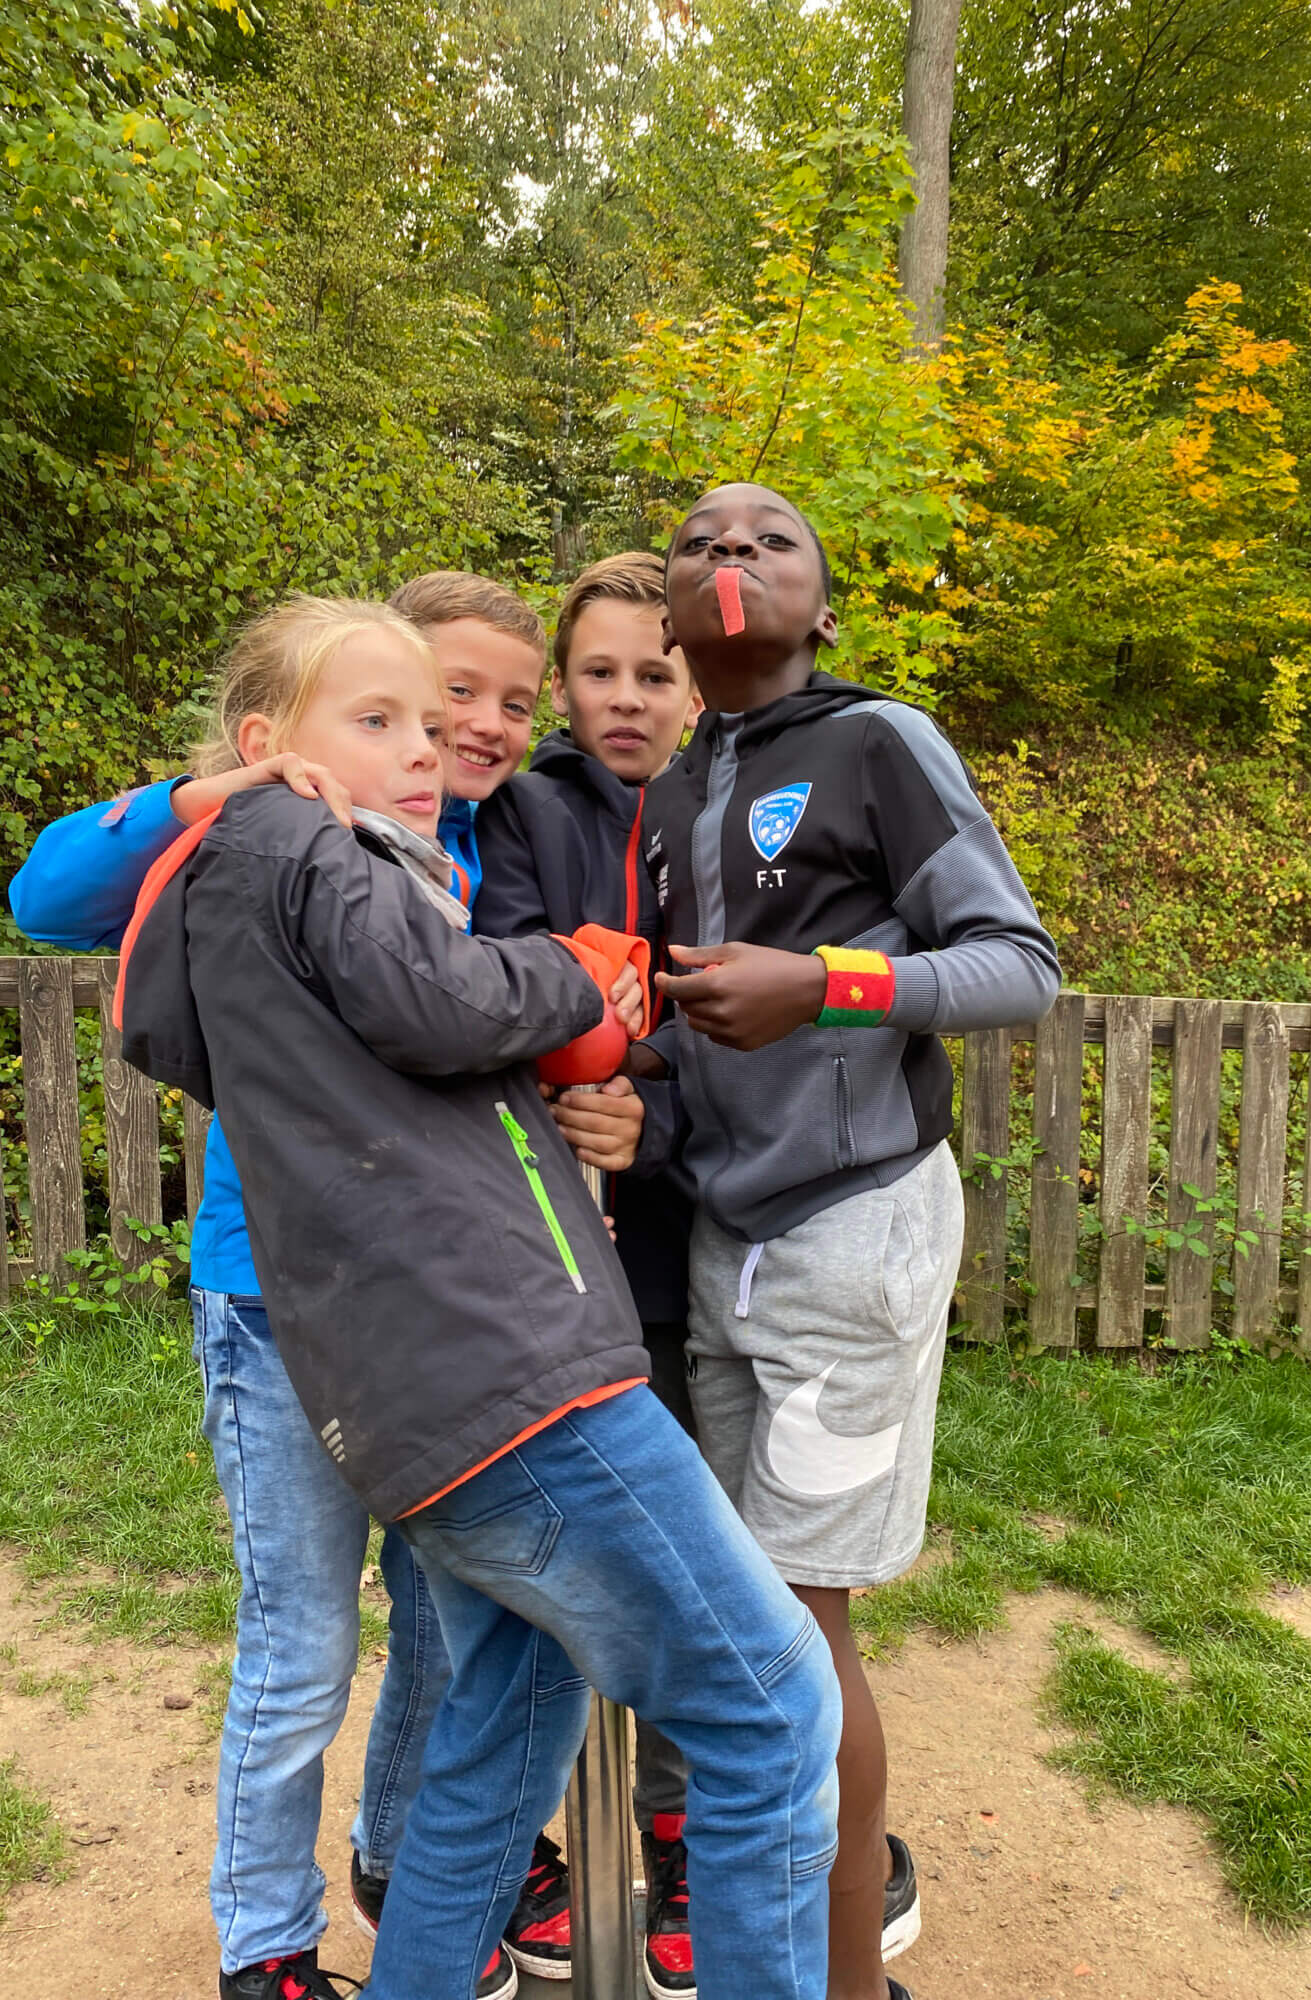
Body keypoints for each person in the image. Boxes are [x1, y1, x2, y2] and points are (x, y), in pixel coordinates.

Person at [115, 593, 842, 2000]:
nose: (425, 750)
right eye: (378, 721)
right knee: (773, 1707)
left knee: (510, 1724)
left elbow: (400, 1031)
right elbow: (442, 1003)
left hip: (423, 1397)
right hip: (512, 1384)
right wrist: (574, 982)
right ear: (267, 744)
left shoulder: (286, 889)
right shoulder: (290, 840)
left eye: (434, 726)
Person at [7, 573, 571, 2000]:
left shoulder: (460, 852)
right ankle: (265, 1943)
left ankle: (403, 1862)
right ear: (298, 731)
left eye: (485, 714)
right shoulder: (252, 843)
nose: (451, 740)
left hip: (438, 1318)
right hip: (274, 1310)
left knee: (453, 1623)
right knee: (301, 1642)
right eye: (405, 712)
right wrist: (220, 792)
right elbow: (47, 892)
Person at [641, 483, 1062, 2000]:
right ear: (673, 613)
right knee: (749, 1614)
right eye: (699, 541)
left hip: (856, 1227)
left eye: (769, 541)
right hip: (721, 1241)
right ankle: (770, 1946)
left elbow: (1018, 968)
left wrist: (823, 984)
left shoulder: (882, 741)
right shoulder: (677, 788)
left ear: (821, 607)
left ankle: (843, 1978)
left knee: (798, 1627)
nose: (730, 555)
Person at [473, 550, 703, 1998]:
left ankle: (681, 1833)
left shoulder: (723, 816)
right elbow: (487, 982)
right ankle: (527, 1839)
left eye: (656, 673)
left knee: (687, 1552)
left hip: (679, 1237)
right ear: (564, 685)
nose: (626, 699)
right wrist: (576, 1082)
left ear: (693, 686)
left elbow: (746, 1018)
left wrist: (650, 1110)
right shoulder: (517, 811)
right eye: (601, 671)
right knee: (549, 1560)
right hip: (533, 1238)